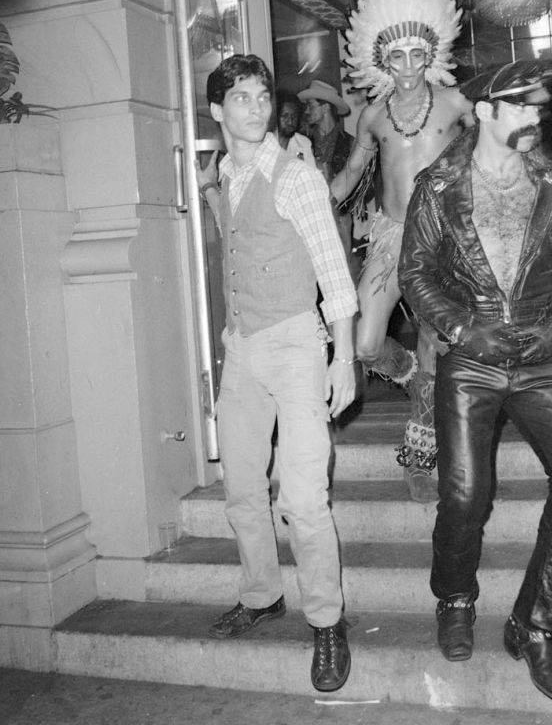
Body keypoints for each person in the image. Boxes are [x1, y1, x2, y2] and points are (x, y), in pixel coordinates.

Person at [397, 61, 552, 706]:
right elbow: (414, 274)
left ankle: (535, 627)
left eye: (537, 106)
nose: (534, 115)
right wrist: (464, 331)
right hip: (472, 355)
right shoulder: (438, 187)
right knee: (465, 494)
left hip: (539, 355)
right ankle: (455, 598)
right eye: (520, 105)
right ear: (483, 110)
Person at [196, 54, 357, 693]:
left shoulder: (295, 176)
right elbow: (237, 247)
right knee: (241, 489)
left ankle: (327, 620)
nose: (257, 107)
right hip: (241, 349)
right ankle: (262, 595)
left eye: (263, 96)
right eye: (242, 97)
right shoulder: (224, 176)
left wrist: (343, 358)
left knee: (303, 498)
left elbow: (334, 274)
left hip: (295, 347)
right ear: (217, 110)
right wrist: (209, 192)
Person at [330, 0, 473, 502]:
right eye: (397, 55)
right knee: (364, 344)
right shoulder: (372, 115)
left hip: (441, 241)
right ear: (379, 59)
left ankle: (419, 458)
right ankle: (414, 377)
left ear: (433, 52)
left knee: (435, 343)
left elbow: (493, 155)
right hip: (390, 238)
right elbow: (350, 175)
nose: (409, 65)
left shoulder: (456, 103)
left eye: (417, 53)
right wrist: (309, 204)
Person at [298, 79, 357, 277]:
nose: (307, 111)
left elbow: (363, 188)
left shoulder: (349, 143)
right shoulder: (302, 143)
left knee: (341, 275)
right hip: (309, 223)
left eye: (311, 105)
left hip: (340, 221)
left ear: (325, 108)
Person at [276, 97, 315, 166]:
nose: (290, 122)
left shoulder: (303, 143)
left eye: (294, 117)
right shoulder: (263, 143)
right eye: (285, 116)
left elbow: (311, 169)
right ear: (275, 117)